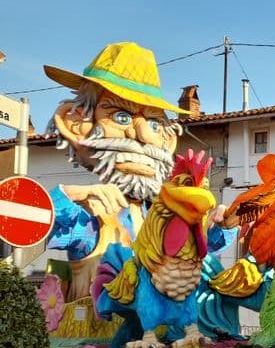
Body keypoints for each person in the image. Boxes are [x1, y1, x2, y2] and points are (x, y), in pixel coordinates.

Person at [42, 42, 232, 301]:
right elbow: (29, 222)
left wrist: (222, 225)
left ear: (167, 140)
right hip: (97, 338)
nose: (143, 135)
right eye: (122, 117)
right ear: (76, 124)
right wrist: (70, 194)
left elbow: (195, 249)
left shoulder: (160, 213)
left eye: (154, 123)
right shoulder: (91, 214)